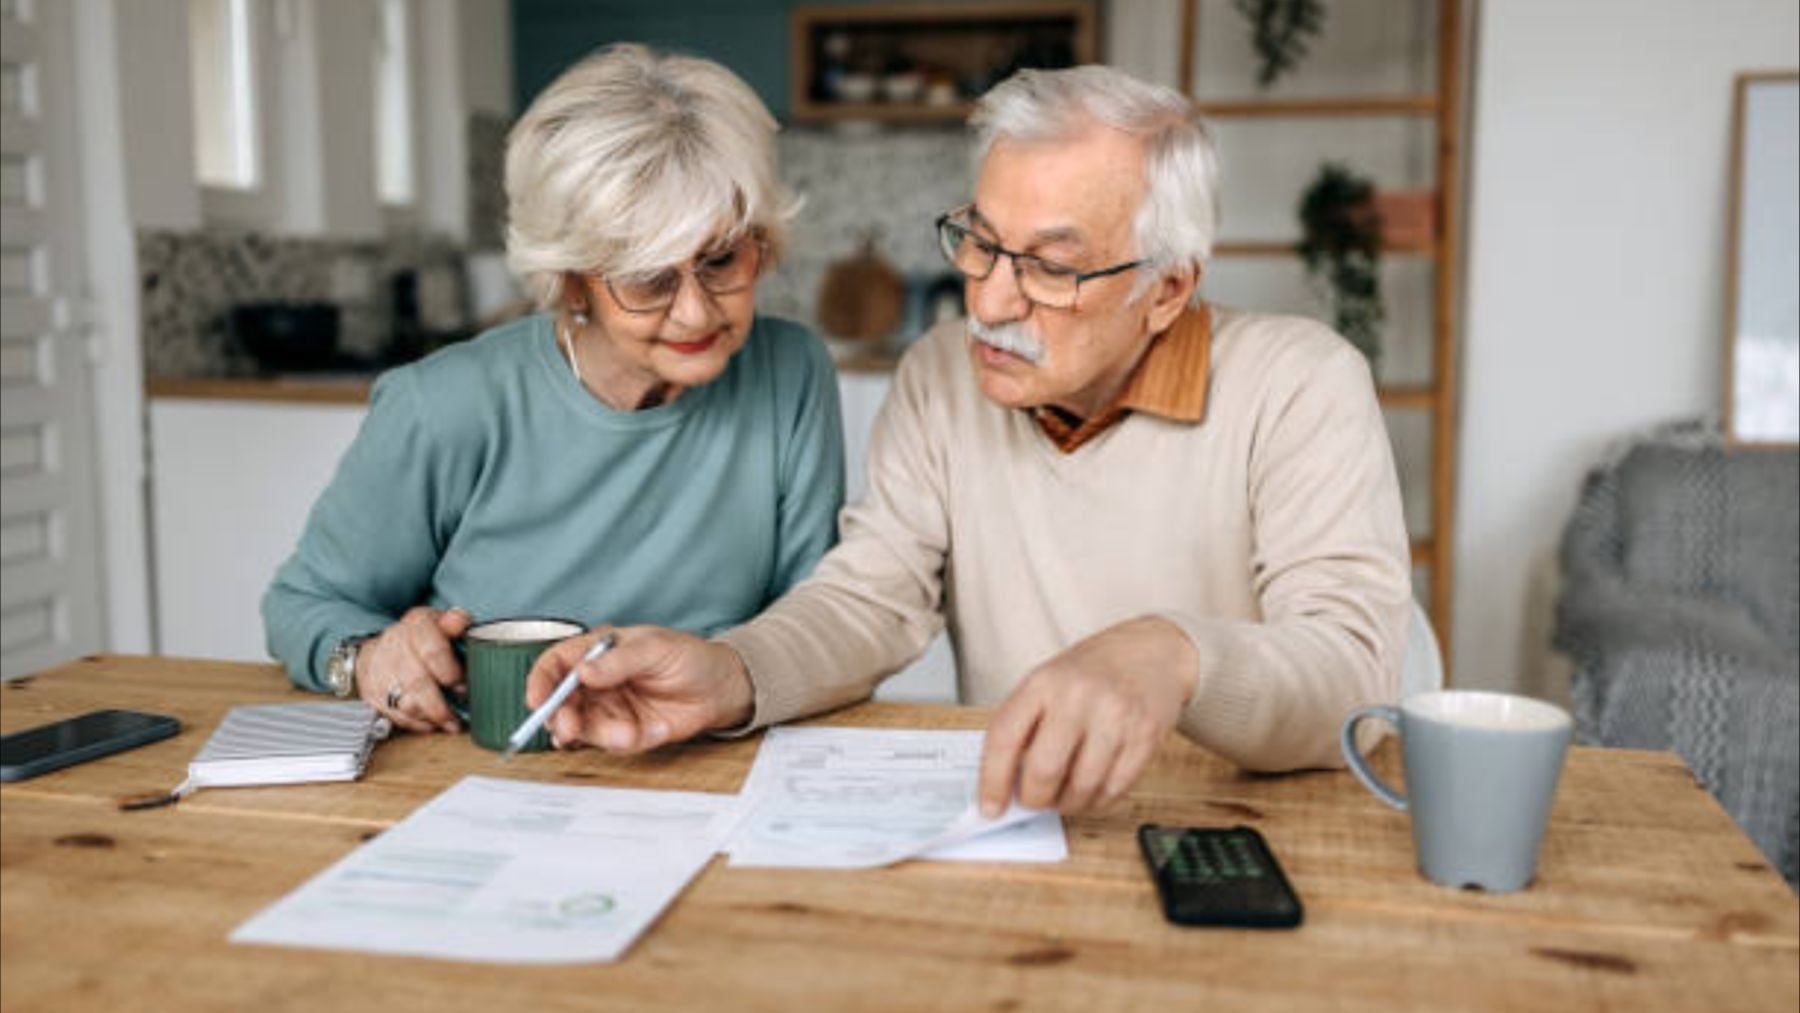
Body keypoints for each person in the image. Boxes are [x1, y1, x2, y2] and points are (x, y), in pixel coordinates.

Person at [526, 64, 1411, 816]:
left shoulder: (1301, 383)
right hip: (1021, 817)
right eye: (981, 242)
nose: (988, 302)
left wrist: (1169, 652)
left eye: (1052, 269)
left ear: (1169, 289)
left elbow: (1353, 675)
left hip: (1247, 825)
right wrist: (729, 670)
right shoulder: (941, 375)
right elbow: (870, 602)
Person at [262, 44, 844, 732]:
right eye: (648, 276)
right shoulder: (445, 405)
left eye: (721, 260)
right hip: (482, 770)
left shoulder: (792, 373)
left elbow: (816, 624)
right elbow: (303, 603)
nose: (696, 310)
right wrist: (366, 659)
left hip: (706, 761)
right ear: (571, 278)